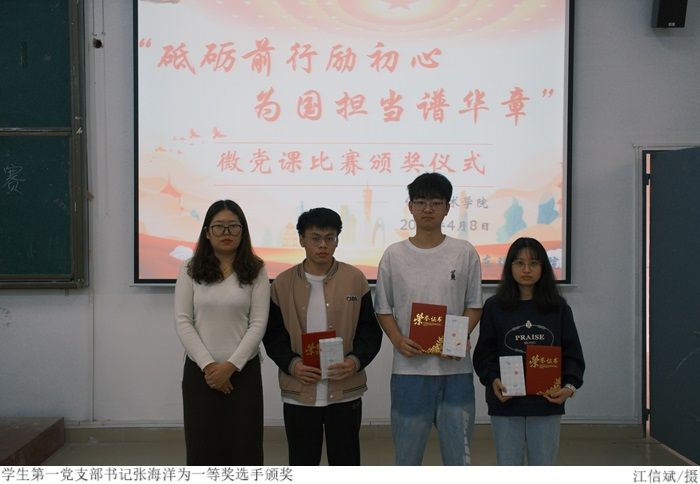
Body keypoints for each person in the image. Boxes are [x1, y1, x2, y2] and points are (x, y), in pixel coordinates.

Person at [374, 172, 483, 465]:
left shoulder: (464, 252)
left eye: (436, 202)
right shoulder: (394, 255)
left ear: (447, 207)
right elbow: (383, 308)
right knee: (407, 458)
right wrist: (398, 340)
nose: (428, 209)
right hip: (409, 371)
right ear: (410, 206)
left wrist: (458, 338)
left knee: (459, 459)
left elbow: (474, 305)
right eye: (420, 202)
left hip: (455, 370)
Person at [263, 207, 382, 465]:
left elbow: (370, 331)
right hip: (299, 390)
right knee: (302, 461)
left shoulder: (355, 279)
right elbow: (273, 337)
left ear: (337, 240)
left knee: (346, 461)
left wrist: (355, 361)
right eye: (315, 238)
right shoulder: (282, 283)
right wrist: (293, 365)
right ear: (301, 240)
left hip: (345, 389)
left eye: (330, 238)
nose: (323, 245)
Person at [473, 237, 585, 465]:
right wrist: (493, 380)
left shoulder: (558, 308)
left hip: (546, 403)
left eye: (533, 263)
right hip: (506, 402)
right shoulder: (494, 307)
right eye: (519, 263)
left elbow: (573, 354)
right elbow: (484, 353)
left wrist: (569, 387)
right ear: (509, 267)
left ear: (543, 267)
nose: (526, 269)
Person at [174, 199, 269, 465]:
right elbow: (183, 321)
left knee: (245, 448)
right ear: (207, 232)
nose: (226, 232)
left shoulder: (257, 270)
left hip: (243, 373)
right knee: (202, 448)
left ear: (243, 230)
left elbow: (258, 323)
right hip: (200, 373)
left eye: (233, 226)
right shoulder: (189, 269)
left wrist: (231, 366)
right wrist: (209, 366)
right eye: (219, 227)